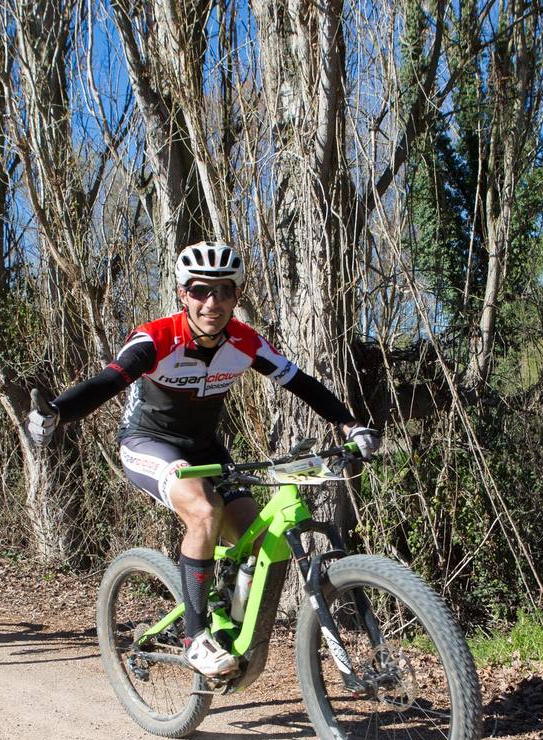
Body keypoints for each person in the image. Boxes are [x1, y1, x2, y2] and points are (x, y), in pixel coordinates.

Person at [26, 240, 380, 677]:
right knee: (204, 510)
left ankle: (226, 612)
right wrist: (58, 412)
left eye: (224, 291)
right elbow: (107, 382)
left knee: (257, 535)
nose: (212, 302)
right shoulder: (155, 338)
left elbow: (301, 383)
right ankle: (196, 638)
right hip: (148, 442)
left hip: (205, 447)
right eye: (199, 290)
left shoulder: (245, 342)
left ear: (237, 295)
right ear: (182, 293)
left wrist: (349, 425)